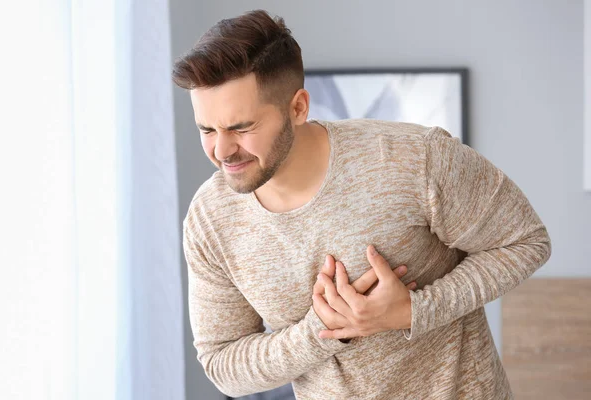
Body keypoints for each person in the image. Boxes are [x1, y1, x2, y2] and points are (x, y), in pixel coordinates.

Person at [172, 9, 551, 400]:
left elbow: (526, 241)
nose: (221, 150)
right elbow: (223, 366)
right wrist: (323, 329)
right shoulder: (210, 219)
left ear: (298, 107)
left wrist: (414, 310)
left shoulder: (414, 158)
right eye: (206, 129)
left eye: (241, 127)